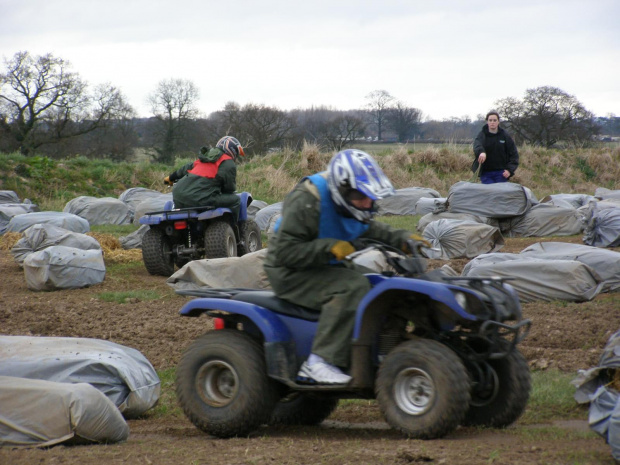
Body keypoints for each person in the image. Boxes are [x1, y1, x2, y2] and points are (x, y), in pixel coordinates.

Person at [264, 149, 429, 384]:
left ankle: (379, 352)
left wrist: (402, 239)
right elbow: (285, 253)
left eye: (370, 197)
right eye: (361, 197)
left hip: (322, 264)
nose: (367, 203)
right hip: (288, 271)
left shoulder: (353, 202)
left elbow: (368, 228)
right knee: (352, 287)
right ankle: (319, 362)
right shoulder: (307, 201)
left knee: (381, 286)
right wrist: (330, 248)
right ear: (342, 191)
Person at [164, 136, 244, 219]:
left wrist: (170, 178)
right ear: (233, 150)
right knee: (236, 200)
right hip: (201, 199)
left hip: (178, 196)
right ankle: (233, 228)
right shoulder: (228, 163)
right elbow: (229, 189)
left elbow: (185, 169)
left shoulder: (204, 158)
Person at [472, 111, 519, 184]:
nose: (492, 122)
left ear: (498, 122)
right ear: (487, 122)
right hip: (486, 173)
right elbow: (477, 145)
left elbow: (514, 155)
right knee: (489, 194)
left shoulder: (505, 136)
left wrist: (509, 170)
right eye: (490, 120)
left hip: (501, 173)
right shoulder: (482, 135)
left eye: (494, 120)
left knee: (501, 195)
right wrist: (481, 152)